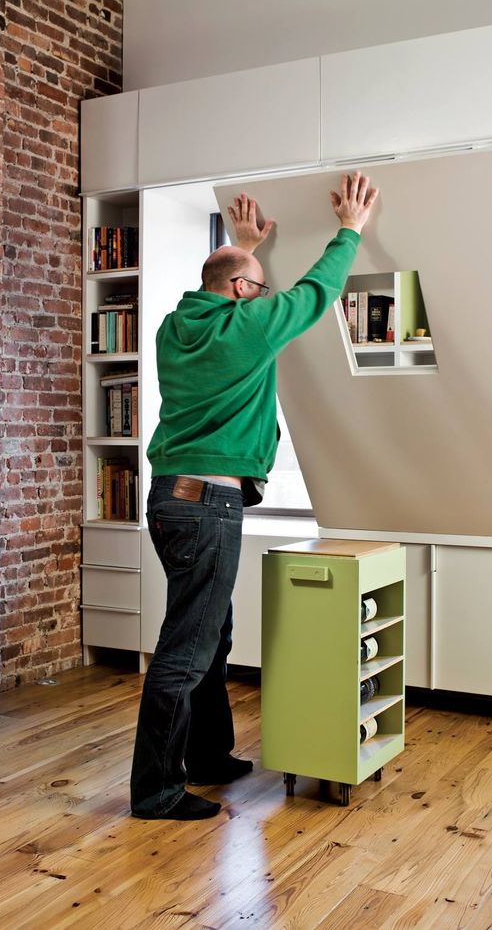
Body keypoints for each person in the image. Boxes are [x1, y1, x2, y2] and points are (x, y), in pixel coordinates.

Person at [130, 171, 378, 821]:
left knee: (210, 633)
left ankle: (207, 758)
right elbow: (316, 293)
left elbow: (229, 296)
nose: (265, 297)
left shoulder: (174, 328)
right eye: (258, 288)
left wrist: (248, 251)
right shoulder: (249, 326)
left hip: (169, 497)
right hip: (208, 502)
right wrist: (349, 228)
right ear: (243, 292)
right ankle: (155, 791)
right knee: (186, 649)